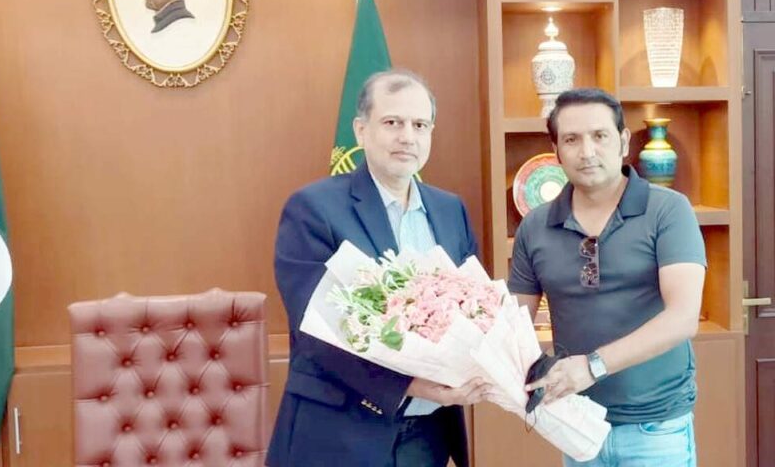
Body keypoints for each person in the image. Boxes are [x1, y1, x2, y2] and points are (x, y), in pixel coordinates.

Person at [267, 69, 486, 466]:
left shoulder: (450, 210)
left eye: (420, 125)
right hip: (339, 434)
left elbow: (476, 308)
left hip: (428, 434)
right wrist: (410, 384)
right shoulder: (313, 209)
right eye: (392, 123)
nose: (408, 137)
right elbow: (316, 331)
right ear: (361, 130)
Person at [515, 88, 708, 466]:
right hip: (578, 424)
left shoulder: (668, 210)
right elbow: (515, 323)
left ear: (623, 141)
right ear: (556, 150)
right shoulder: (535, 225)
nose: (587, 151)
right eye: (572, 139)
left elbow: (683, 317)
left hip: (656, 427)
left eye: (599, 135)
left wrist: (593, 366)